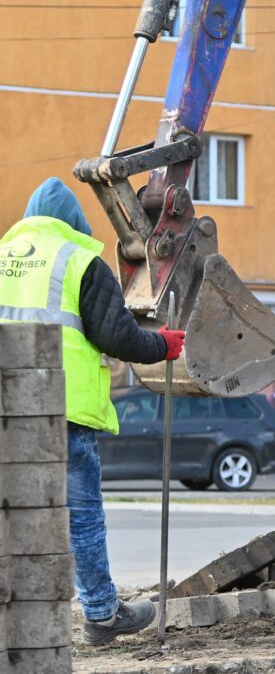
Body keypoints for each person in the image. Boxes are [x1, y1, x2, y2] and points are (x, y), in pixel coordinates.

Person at [0, 178, 185, 646]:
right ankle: (102, 615)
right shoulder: (78, 260)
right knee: (80, 516)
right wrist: (161, 344)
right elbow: (116, 337)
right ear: (72, 221)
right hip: (61, 409)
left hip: (6, 410)